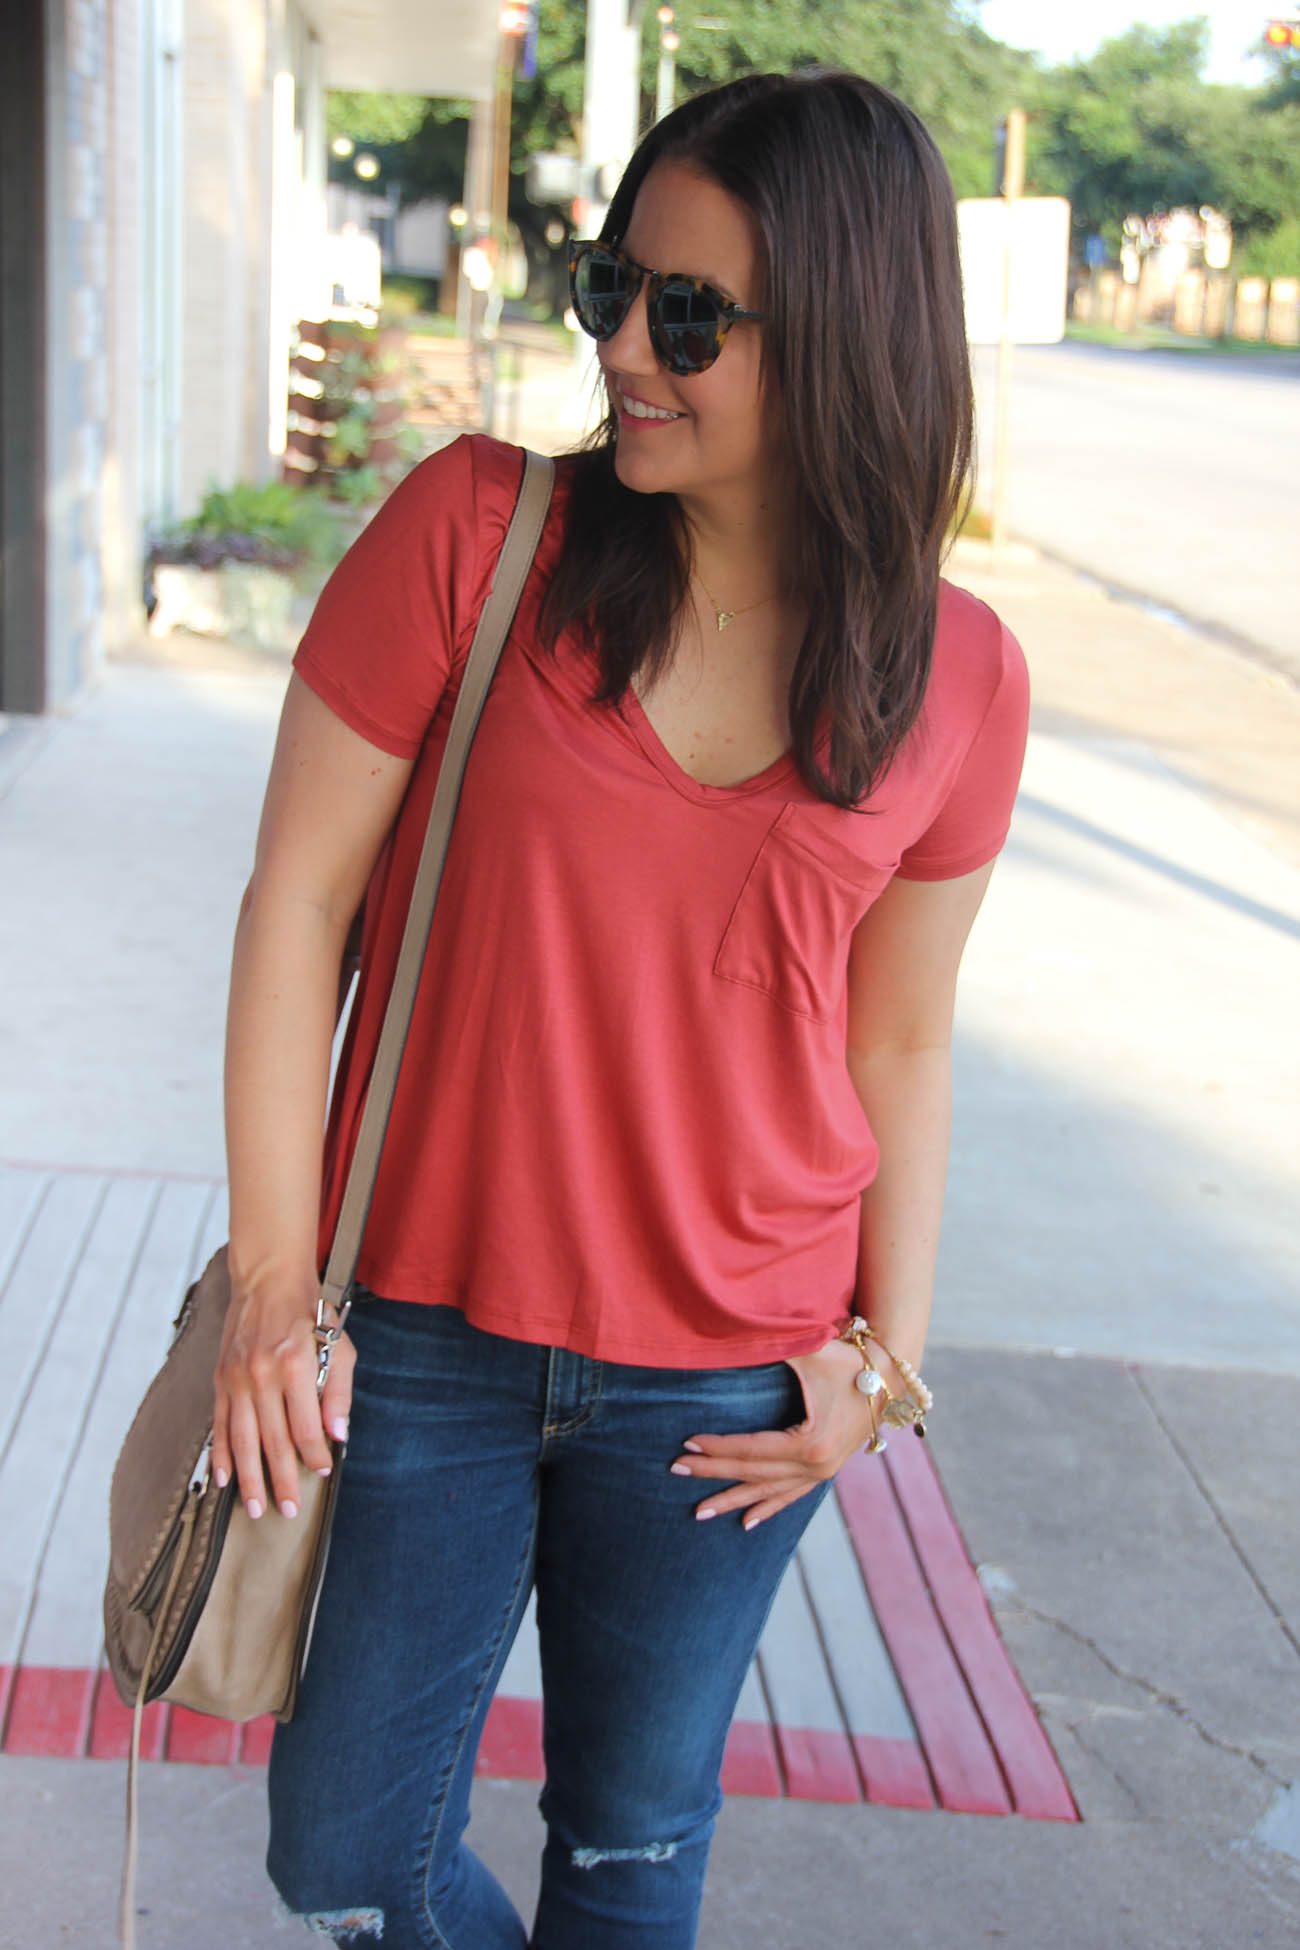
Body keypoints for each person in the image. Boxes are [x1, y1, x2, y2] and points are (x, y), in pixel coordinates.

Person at [214, 69, 1029, 1950]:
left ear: (846, 335)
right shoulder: (474, 537)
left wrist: (886, 1368)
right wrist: (275, 1282)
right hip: (422, 1333)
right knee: (342, 1843)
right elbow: (297, 908)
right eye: (611, 287)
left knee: (632, 1851)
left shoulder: (961, 678)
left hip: (733, 1378)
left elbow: (897, 1040)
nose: (624, 354)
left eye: (688, 316)